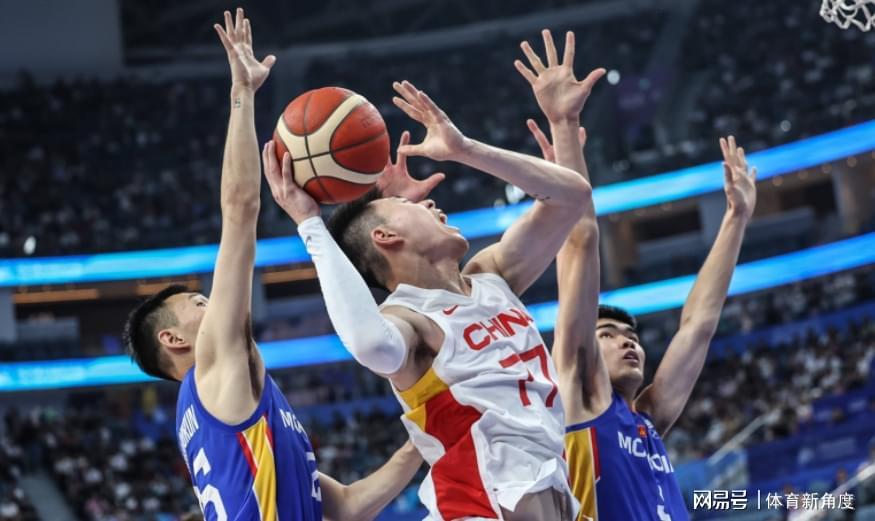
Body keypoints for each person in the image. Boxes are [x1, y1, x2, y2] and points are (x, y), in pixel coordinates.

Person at [122, 9, 421, 521]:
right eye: (199, 302)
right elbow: (240, 210)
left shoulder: (228, 418)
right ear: (174, 339)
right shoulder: (213, 368)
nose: (216, 302)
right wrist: (242, 94)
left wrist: (424, 435)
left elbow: (347, 506)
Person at [262, 76, 595, 518]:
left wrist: (464, 149)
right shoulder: (410, 320)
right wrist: (310, 223)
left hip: (550, 496)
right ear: (385, 236)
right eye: (412, 208)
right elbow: (369, 343)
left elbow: (572, 197)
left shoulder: (491, 278)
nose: (433, 204)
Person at [517, 29, 758, 521]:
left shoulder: (648, 420)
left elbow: (697, 326)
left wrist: (736, 218)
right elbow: (580, 243)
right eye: (608, 334)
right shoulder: (581, 397)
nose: (628, 341)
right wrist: (564, 125)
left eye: (631, 336)